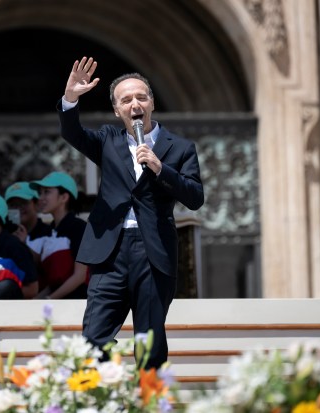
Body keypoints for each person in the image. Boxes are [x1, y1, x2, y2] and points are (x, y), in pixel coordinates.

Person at [58, 57, 204, 368]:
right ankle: (105, 395)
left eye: (141, 97)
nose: (134, 104)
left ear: (151, 103)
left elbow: (195, 197)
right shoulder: (108, 140)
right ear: (117, 110)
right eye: (126, 100)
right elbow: (73, 134)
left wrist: (160, 167)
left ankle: (148, 400)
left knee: (149, 342)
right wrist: (70, 98)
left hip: (154, 250)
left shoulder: (179, 148)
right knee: (94, 339)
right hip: (110, 251)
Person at [30, 172, 88, 300]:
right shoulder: (50, 231)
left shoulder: (79, 228)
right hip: (57, 308)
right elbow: (55, 283)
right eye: (41, 192)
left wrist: (50, 300)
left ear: (64, 197)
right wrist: (35, 303)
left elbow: (80, 276)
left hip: (79, 308)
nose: (41, 198)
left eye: (47, 192)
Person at [4, 181, 52, 265]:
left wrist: (24, 245)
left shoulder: (50, 233)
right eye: (13, 205)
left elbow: (49, 266)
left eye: (23, 203)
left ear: (36, 204)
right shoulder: (3, 235)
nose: (18, 208)